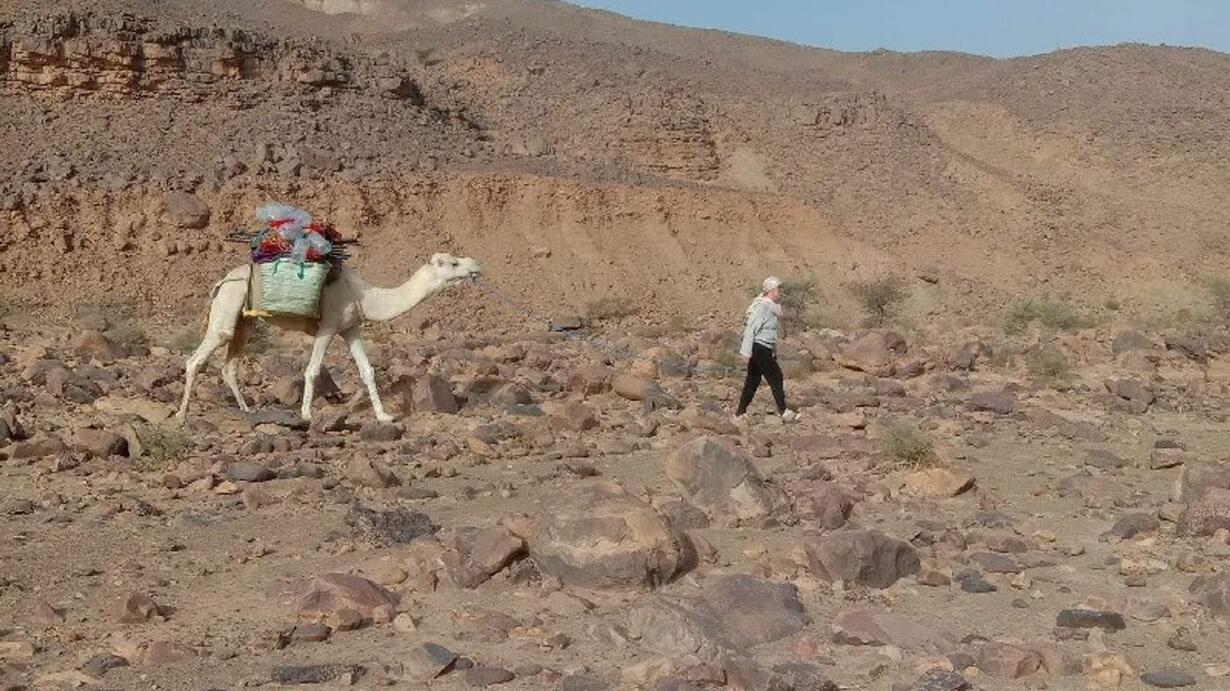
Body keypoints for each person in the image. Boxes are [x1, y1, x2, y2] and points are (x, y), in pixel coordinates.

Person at [735, 276, 800, 422]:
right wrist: (745, 352)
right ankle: (783, 411)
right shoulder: (763, 307)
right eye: (778, 288)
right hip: (759, 348)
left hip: (764, 348)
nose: (781, 291)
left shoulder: (772, 307)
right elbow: (751, 328)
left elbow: (770, 334)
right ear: (771, 290)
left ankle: (739, 413)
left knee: (752, 380)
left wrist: (773, 352)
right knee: (776, 376)